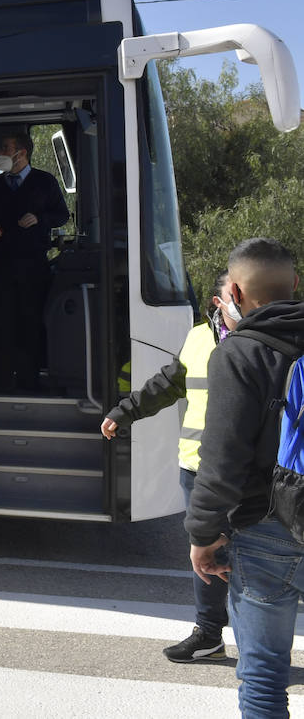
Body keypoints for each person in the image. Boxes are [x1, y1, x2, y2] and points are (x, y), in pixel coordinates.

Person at [185, 238, 304, 717]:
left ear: (233, 292)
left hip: (265, 529)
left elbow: (222, 460)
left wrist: (202, 535)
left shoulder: (240, 353)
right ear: (295, 283)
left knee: (265, 677)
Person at [100, 271, 235, 662]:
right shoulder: (198, 337)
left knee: (251, 555)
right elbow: (167, 384)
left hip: (245, 470)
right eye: (234, 292)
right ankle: (208, 634)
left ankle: (258, 642)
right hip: (197, 468)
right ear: (218, 301)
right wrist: (124, 412)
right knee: (205, 553)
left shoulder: (262, 341)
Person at [0, 131, 70, 392]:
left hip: (33, 268)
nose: (0, 153)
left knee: (31, 325)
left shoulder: (44, 182)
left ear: (21, 152)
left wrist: (39, 219)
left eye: (5, 147)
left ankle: (29, 383)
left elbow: (61, 215)